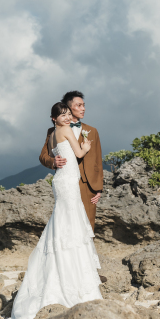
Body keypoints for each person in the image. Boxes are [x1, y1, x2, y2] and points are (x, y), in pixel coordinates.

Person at [9, 102, 102, 319]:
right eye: (63, 114)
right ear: (54, 118)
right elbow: (76, 153)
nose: (67, 117)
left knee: (62, 222)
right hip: (68, 180)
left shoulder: (53, 134)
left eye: (69, 113)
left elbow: (61, 151)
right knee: (71, 223)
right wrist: (86, 147)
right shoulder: (63, 130)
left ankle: (60, 272)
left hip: (60, 181)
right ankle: (74, 279)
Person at [39, 91, 103, 229]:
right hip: (67, 181)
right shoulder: (52, 131)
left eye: (84, 105)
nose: (83, 108)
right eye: (79, 105)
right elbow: (43, 156)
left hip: (87, 184)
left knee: (88, 226)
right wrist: (53, 162)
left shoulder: (92, 131)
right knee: (66, 223)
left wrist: (99, 188)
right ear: (68, 107)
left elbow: (98, 160)